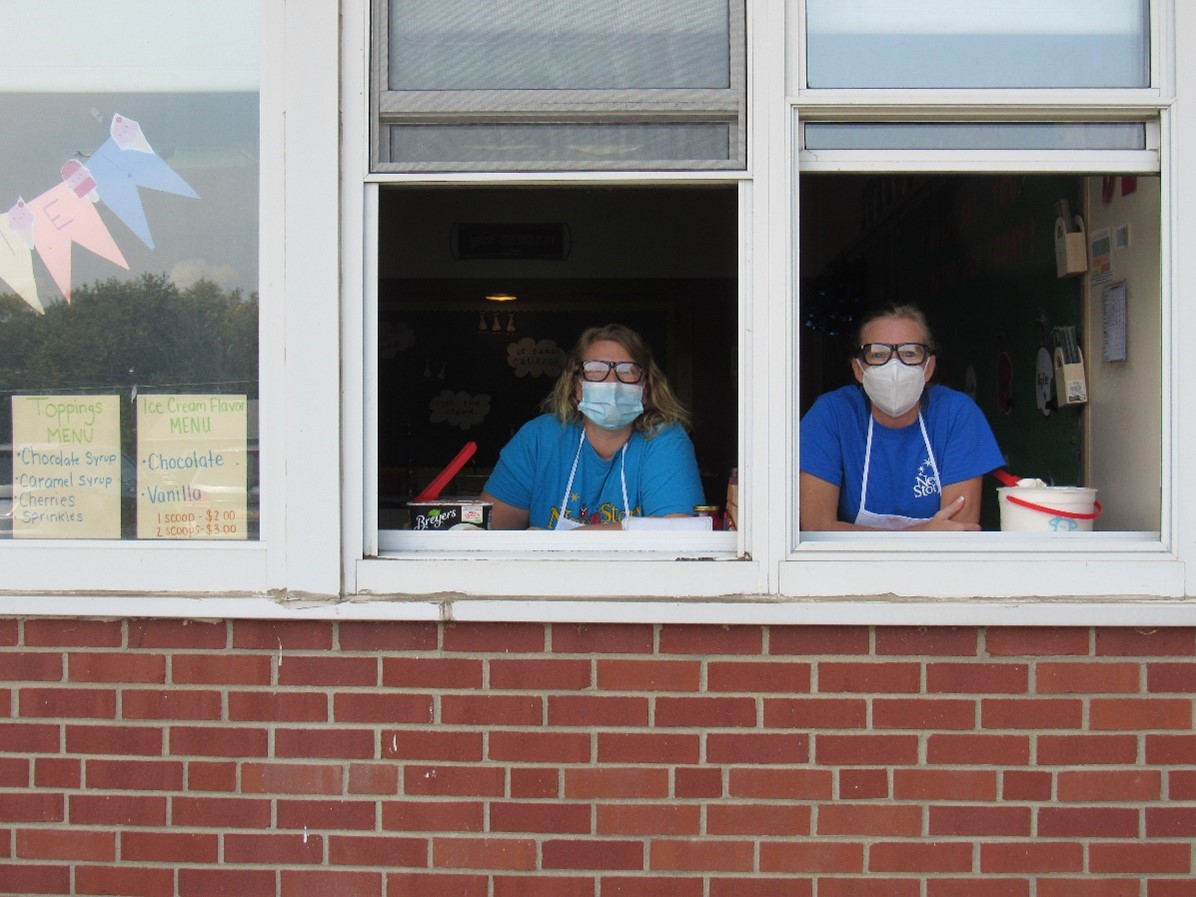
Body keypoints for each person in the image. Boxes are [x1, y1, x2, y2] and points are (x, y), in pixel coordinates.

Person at [800, 304, 1004, 531]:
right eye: (878, 354)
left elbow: (957, 530)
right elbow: (817, 528)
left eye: (909, 353)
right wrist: (924, 534)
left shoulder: (957, 414)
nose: (894, 366)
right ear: (858, 369)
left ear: (928, 368)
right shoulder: (832, 414)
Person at [481, 323, 705, 530]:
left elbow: (679, 531)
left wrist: (568, 540)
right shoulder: (539, 438)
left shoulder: (664, 440)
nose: (612, 382)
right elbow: (485, 530)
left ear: (645, 390)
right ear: (577, 387)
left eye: (627, 371)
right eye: (596, 370)